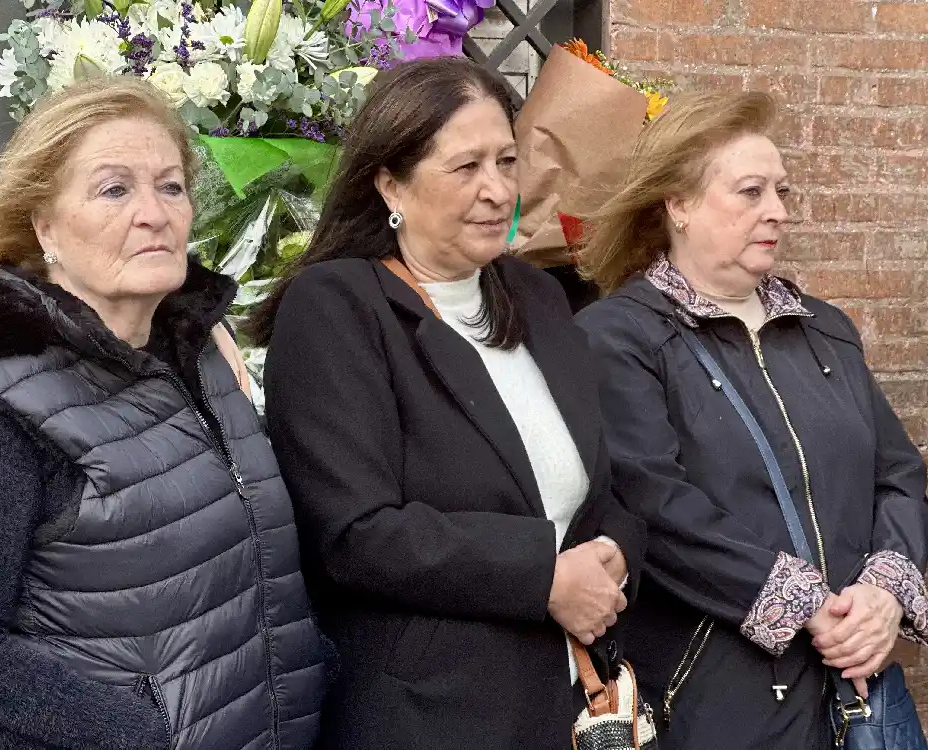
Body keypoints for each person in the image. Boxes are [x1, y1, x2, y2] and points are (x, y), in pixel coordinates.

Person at [0, 78, 328, 750]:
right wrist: (150, 737)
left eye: (170, 186)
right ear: (43, 225)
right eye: (115, 189)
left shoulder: (197, 359)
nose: (154, 213)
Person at [247, 57, 647, 749]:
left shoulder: (538, 298)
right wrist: (543, 575)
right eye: (465, 168)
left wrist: (615, 550)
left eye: (506, 160)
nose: (496, 190)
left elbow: (604, 483)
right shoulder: (339, 308)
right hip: (434, 714)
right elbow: (353, 534)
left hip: (567, 703)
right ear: (390, 183)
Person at [573, 90, 928, 749]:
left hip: (855, 690)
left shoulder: (825, 331)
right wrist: (808, 606)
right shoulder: (618, 337)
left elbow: (900, 474)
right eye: (750, 192)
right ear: (678, 205)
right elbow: (654, 502)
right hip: (719, 697)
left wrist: (883, 596)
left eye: (782, 191)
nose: (777, 211)